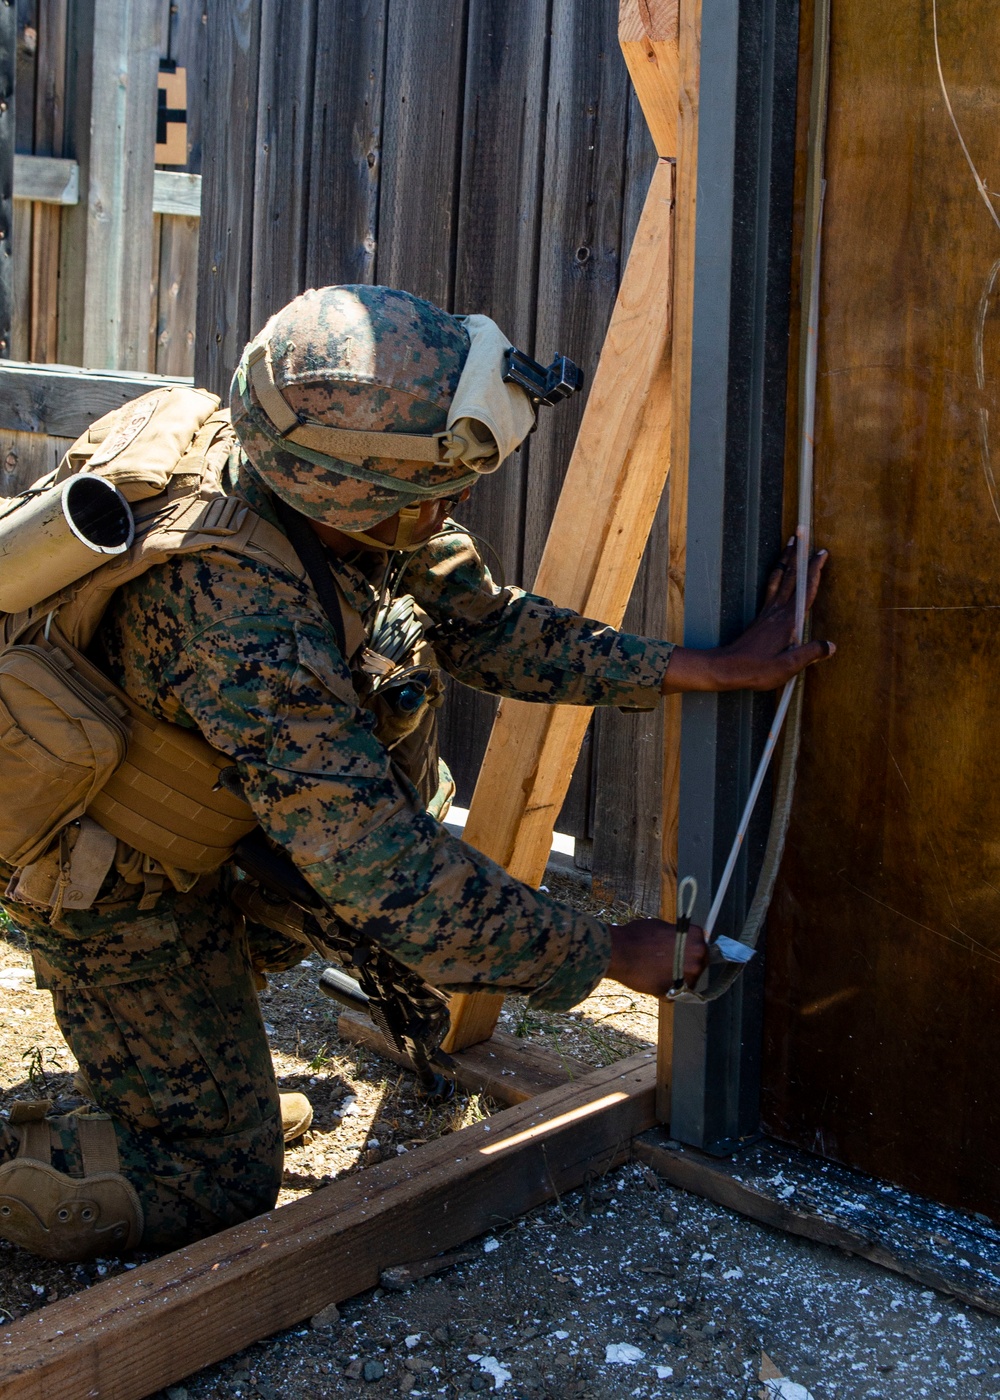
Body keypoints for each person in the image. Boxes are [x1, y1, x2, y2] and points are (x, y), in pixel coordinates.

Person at [0, 285, 832, 1261]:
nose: (459, 498)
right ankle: (139, 1134)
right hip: (103, 877)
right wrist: (606, 952)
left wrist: (697, 667)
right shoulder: (239, 614)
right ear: (358, 490)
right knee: (220, 1181)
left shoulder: (319, 491)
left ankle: (194, 1050)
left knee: (405, 924)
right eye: (440, 480)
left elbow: (482, 622)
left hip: (220, 814)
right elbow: (391, 877)